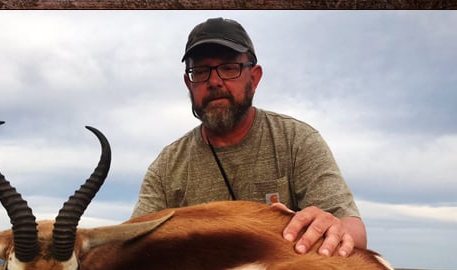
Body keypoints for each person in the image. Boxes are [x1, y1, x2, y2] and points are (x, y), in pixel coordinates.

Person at [132, 17, 367, 257]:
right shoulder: (166, 167)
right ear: (188, 84)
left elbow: (354, 233)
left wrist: (335, 228)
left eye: (229, 68)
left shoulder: (297, 141)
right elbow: (130, 244)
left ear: (254, 78)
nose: (214, 82)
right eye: (200, 71)